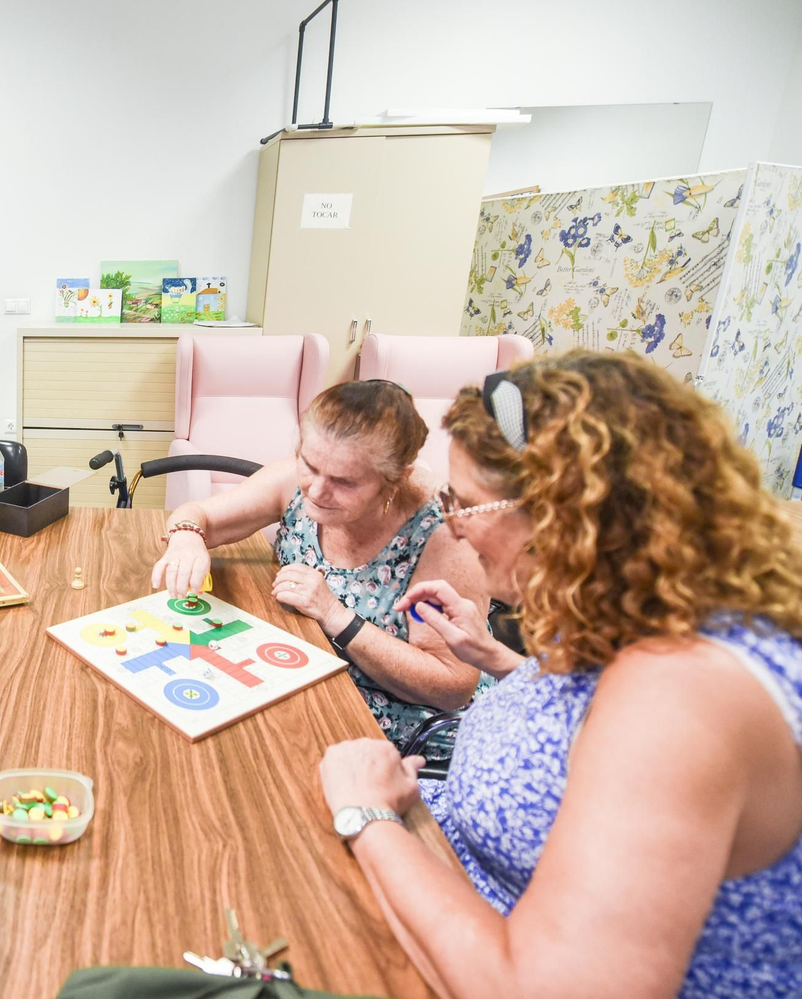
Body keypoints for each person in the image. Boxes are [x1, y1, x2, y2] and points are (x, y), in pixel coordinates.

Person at [318, 352, 802, 997]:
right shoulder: (650, 607)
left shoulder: (684, 699)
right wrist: (496, 656)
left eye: (464, 505)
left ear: (561, 513)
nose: (454, 530)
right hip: (445, 878)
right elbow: (592, 716)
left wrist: (368, 817)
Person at [150, 380, 489, 753]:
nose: (315, 490)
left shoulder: (442, 537)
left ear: (395, 481)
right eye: (309, 464)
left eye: (344, 482)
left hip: (395, 730)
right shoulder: (298, 479)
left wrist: (335, 615)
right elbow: (200, 517)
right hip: (301, 676)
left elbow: (451, 685)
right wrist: (186, 538)